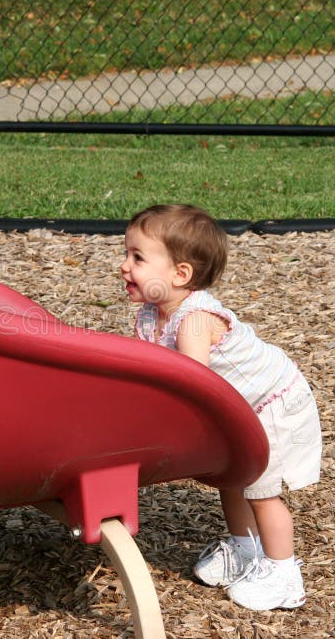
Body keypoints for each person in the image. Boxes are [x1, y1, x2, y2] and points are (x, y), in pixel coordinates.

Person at [120, 203, 322, 611]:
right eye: (126, 254)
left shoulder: (195, 321)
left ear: (180, 275)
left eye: (138, 258)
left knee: (261, 490)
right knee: (232, 478)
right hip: (235, 406)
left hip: (271, 404)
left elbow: (195, 386)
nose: (124, 266)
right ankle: (246, 550)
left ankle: (284, 574)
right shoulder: (150, 313)